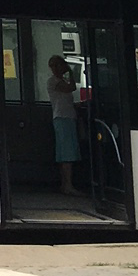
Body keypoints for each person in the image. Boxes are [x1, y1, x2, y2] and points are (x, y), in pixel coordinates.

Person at [47, 55, 80, 196]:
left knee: (66, 153)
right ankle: (68, 185)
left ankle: (65, 184)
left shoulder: (60, 81)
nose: (57, 68)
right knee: (66, 154)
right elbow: (70, 88)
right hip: (62, 118)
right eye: (54, 66)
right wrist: (71, 72)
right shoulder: (53, 81)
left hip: (67, 117)